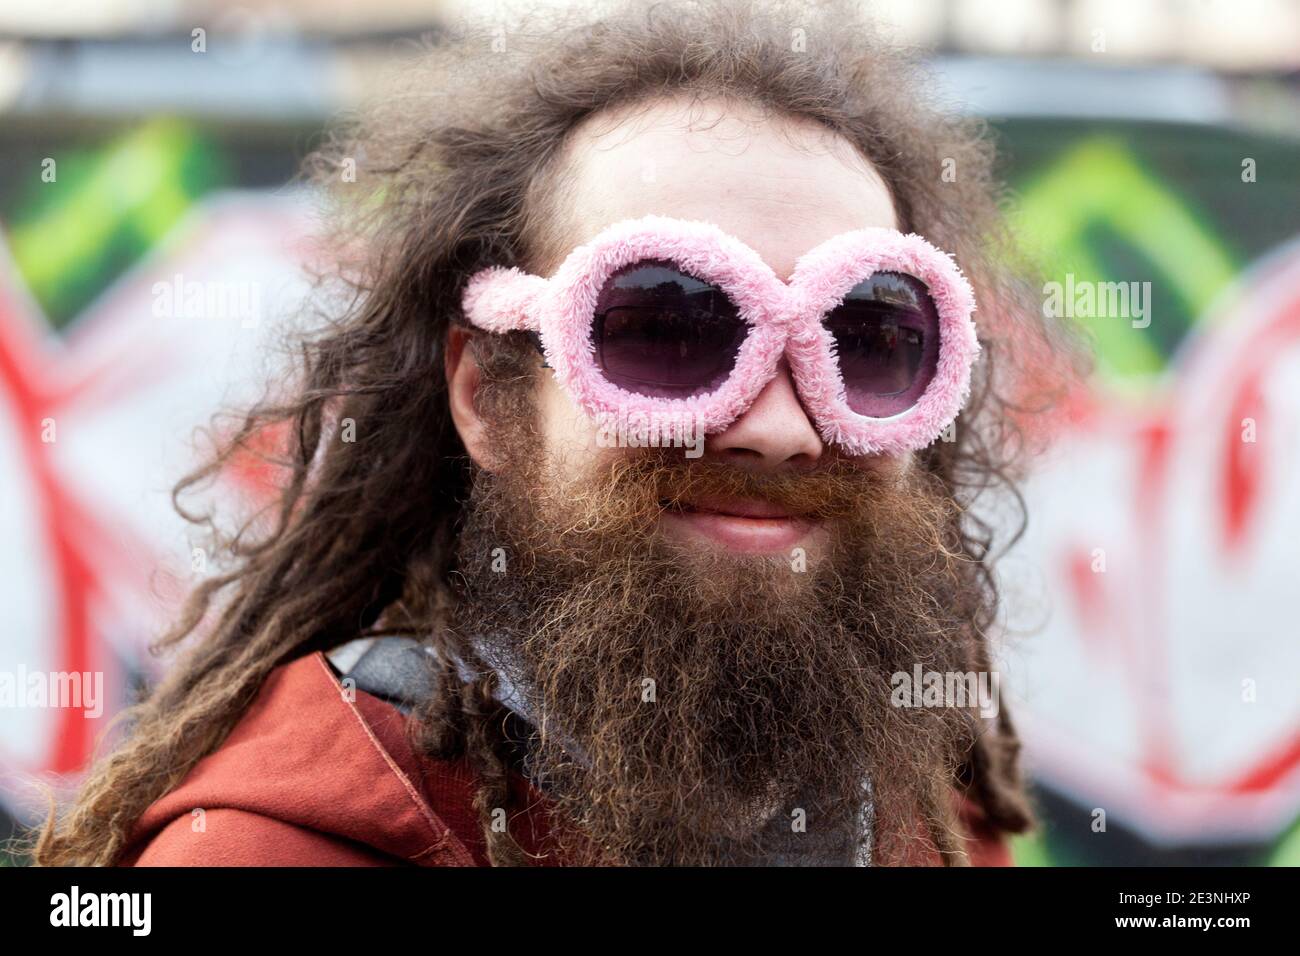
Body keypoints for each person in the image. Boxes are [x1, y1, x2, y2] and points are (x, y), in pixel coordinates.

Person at [35, 0, 1084, 867]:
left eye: (864, 336)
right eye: (664, 328)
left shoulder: (938, 827)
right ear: (487, 399)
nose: (778, 429)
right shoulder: (265, 852)